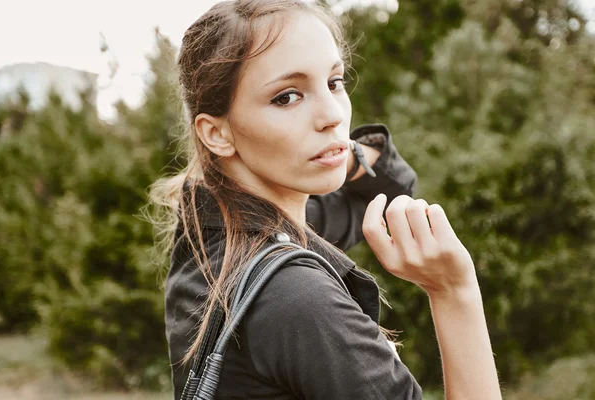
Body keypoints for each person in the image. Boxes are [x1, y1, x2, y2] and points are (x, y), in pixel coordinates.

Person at [154, 1, 502, 399]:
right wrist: (454, 291)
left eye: (335, 82)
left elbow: (393, 182)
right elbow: (391, 185)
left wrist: (339, 151)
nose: (333, 115)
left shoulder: (209, 234)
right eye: (287, 97)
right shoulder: (296, 298)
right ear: (217, 134)